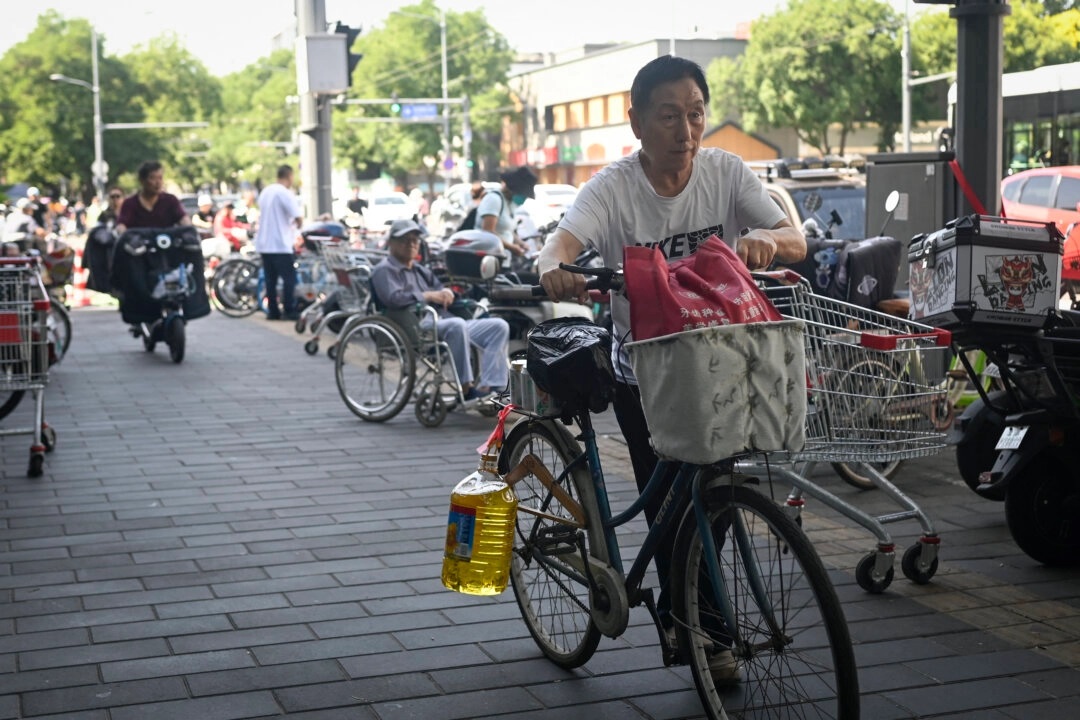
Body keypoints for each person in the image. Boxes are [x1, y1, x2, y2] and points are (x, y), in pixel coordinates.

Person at [537, 55, 806, 682]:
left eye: (695, 113)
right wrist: (557, 265)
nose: (685, 130)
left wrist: (770, 240)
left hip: (724, 361)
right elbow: (562, 241)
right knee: (673, 511)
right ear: (636, 122)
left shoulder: (726, 172)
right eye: (668, 116)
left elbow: (795, 239)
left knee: (712, 497)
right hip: (648, 373)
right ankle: (700, 634)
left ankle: (698, 620)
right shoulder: (612, 189)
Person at [372, 218, 509, 402]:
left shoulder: (420, 270)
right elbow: (393, 299)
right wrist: (427, 295)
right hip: (415, 324)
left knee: (498, 326)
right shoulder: (384, 270)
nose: (411, 244)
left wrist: (446, 292)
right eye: (405, 240)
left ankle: (490, 387)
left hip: (443, 320)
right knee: (457, 324)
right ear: (391, 243)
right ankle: (466, 389)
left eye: (415, 240)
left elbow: (439, 288)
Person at [254, 164, 302, 321]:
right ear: (289, 176)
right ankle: (289, 309)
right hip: (280, 243)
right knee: (289, 279)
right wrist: (299, 227)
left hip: (264, 243)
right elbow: (297, 216)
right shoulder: (284, 193)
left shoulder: (266, 191)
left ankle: (273, 311)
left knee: (270, 280)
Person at [478, 166, 534, 265]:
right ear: (513, 189)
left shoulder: (509, 204)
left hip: (503, 260)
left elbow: (507, 230)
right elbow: (488, 231)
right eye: (523, 194)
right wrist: (511, 247)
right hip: (488, 261)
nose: (524, 198)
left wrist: (520, 243)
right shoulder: (494, 199)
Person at [116, 161, 190, 232]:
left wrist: (189, 229)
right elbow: (121, 225)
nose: (158, 182)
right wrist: (126, 236)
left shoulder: (170, 200)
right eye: (153, 178)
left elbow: (183, 218)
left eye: (160, 178)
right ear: (142, 180)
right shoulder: (130, 203)